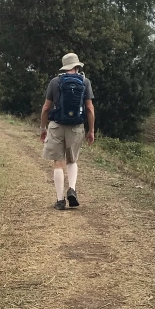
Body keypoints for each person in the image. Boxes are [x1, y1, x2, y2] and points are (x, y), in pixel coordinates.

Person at [40, 52, 95, 209]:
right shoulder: (85, 82)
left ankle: (60, 200)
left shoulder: (54, 82)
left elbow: (46, 108)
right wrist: (91, 130)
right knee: (72, 160)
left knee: (58, 161)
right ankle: (72, 188)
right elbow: (90, 108)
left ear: (64, 68)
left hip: (57, 125)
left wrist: (43, 128)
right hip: (76, 127)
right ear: (77, 66)